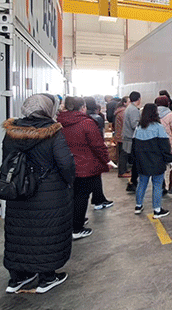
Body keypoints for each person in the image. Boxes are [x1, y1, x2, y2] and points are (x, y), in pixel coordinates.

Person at [1, 93, 74, 294]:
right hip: (48, 193)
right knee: (46, 233)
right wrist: (68, 182)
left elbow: (7, 161)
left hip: (18, 191)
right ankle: (47, 278)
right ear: (48, 109)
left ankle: (18, 278)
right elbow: (65, 163)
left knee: (19, 234)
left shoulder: (12, 132)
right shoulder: (53, 132)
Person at [57, 96, 113, 240]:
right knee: (82, 197)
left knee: (71, 196)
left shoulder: (59, 122)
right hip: (84, 166)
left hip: (65, 165)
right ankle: (77, 228)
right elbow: (98, 145)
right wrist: (106, 160)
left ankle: (74, 220)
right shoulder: (86, 123)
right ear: (82, 108)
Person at [132, 103, 172, 218]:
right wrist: (169, 159)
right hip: (157, 162)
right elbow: (165, 146)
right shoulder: (158, 127)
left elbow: (134, 147)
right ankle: (157, 210)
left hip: (142, 162)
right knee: (157, 185)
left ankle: (138, 206)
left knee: (142, 183)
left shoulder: (138, 128)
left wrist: (135, 160)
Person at [156, 95, 172, 197]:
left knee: (160, 166)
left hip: (157, 144)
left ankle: (162, 187)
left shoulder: (152, 114)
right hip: (169, 144)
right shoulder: (170, 115)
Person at [122, 91, 142, 192]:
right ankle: (133, 182)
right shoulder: (133, 109)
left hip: (128, 136)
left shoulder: (129, 108)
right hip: (131, 137)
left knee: (134, 161)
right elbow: (134, 125)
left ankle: (133, 181)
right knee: (135, 162)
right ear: (138, 99)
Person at [113, 96, 130, 178]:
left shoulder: (120, 111)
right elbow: (126, 123)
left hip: (120, 135)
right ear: (124, 103)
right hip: (123, 136)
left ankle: (124, 169)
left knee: (122, 154)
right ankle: (122, 172)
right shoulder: (123, 112)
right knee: (123, 154)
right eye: (129, 102)